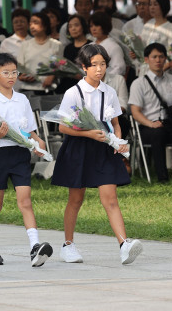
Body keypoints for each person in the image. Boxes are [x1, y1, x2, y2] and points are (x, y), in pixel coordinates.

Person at [51, 43, 142, 265]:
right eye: (94, 65)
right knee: (76, 198)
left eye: (103, 64)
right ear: (84, 67)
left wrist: (117, 140)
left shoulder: (109, 91)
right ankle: (68, 245)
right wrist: (90, 134)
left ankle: (124, 244)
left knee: (110, 199)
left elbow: (115, 122)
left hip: (104, 147)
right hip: (79, 148)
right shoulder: (73, 92)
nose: (100, 69)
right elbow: (62, 127)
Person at [0, 53, 53, 267]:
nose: (11, 76)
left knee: (26, 201)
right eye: (6, 73)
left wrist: (39, 144)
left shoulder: (22, 99)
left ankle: (35, 247)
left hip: (20, 155)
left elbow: (30, 131)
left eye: (14, 72)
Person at [129, 42, 172, 182]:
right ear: (146, 59)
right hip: (148, 127)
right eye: (154, 57)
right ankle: (163, 178)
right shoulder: (138, 83)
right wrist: (151, 124)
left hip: (171, 124)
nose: (158, 60)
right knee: (158, 133)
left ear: (166, 59)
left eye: (161, 57)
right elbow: (135, 111)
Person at [17, 12, 62, 92]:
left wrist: (52, 76)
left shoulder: (56, 45)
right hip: (27, 89)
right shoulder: (25, 45)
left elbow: (60, 67)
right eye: (30, 23)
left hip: (49, 89)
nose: (32, 26)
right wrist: (21, 76)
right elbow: (19, 68)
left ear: (45, 25)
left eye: (36, 22)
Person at [140, 0, 172, 76]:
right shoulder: (147, 26)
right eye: (150, 4)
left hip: (165, 73)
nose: (151, 7)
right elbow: (142, 49)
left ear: (163, 5)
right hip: (146, 71)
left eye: (155, 4)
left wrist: (163, 68)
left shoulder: (171, 28)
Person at [56, 15, 90, 94]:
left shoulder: (90, 46)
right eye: (70, 26)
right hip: (68, 88)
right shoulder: (67, 48)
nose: (73, 29)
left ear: (83, 27)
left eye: (76, 25)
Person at [89, 11, 126, 76]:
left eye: (97, 25)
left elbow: (120, 68)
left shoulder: (114, 46)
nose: (93, 29)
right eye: (91, 26)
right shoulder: (89, 46)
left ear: (104, 25)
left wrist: (103, 78)